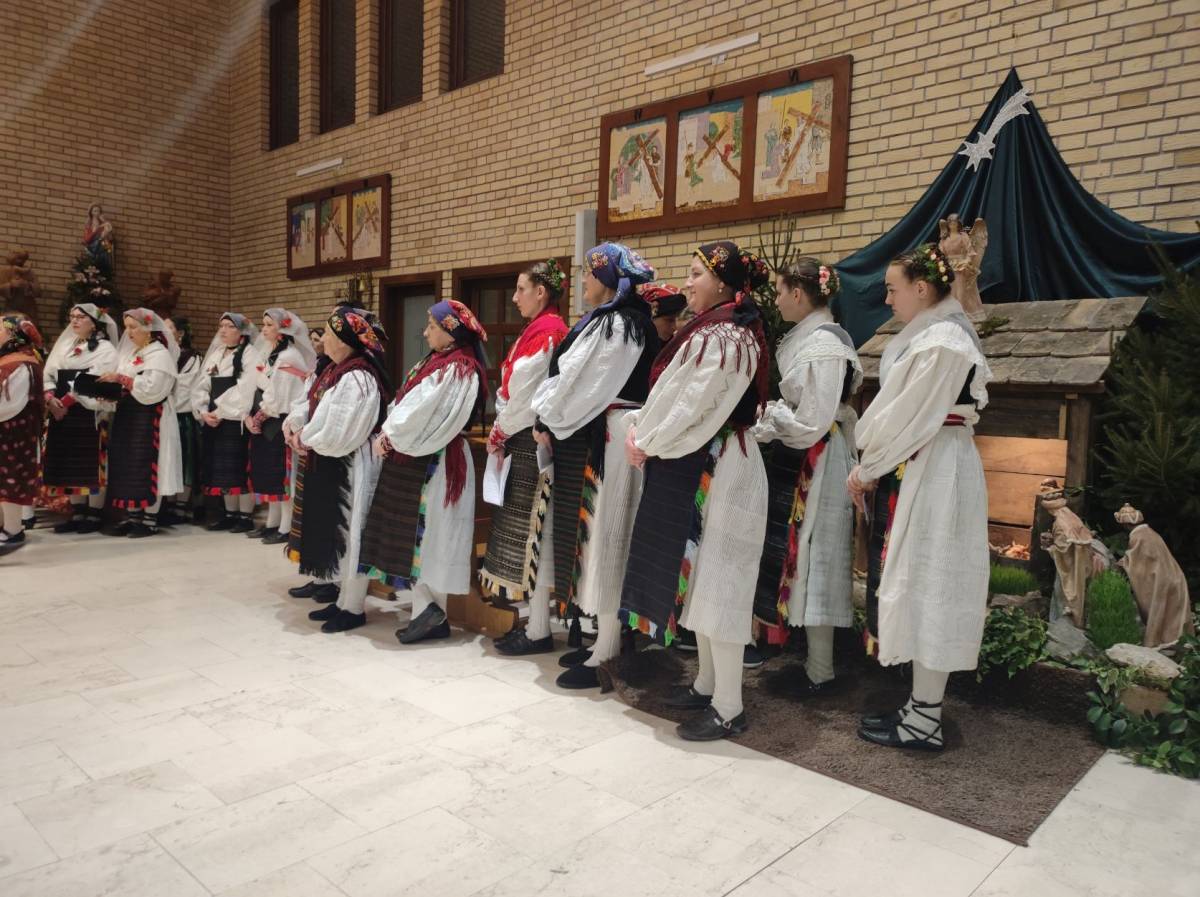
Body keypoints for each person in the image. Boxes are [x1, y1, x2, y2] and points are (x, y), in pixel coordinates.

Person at [619, 240, 771, 741]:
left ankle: (729, 707)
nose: (687, 282)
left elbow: (696, 405)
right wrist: (647, 435)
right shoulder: (718, 328)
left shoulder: (728, 334)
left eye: (695, 273)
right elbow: (677, 398)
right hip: (704, 457)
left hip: (723, 464)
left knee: (721, 583)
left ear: (722, 282)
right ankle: (707, 684)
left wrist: (647, 440)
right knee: (703, 580)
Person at [849, 244, 991, 752]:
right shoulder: (932, 333)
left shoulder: (944, 341)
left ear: (922, 288)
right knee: (920, 580)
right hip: (926, 462)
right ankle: (919, 706)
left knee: (934, 583)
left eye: (893, 289)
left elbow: (907, 415)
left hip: (937, 469)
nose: (888, 299)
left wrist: (867, 467)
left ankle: (925, 720)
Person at [531, 242, 659, 689]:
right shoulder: (613, 320)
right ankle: (604, 640)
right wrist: (548, 413)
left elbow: (582, 382)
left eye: (588, 273)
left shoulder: (621, 324)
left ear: (607, 279)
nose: (582, 280)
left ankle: (607, 649)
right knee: (600, 534)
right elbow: (572, 377)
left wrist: (547, 415)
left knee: (608, 536)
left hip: (614, 433)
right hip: (603, 432)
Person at [751, 258, 861, 696]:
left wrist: (774, 420)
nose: (777, 299)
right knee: (804, 555)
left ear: (798, 294)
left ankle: (821, 671)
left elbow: (813, 419)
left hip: (818, 458)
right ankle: (813, 664)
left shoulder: (825, 345)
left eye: (780, 291)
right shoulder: (810, 338)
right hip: (801, 451)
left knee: (817, 556)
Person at [353, 299, 488, 642]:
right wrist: (390, 432)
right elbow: (406, 403)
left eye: (432, 326)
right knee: (420, 537)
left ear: (450, 332)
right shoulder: (437, 362)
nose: (425, 332)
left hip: (437, 459)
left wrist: (391, 435)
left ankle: (430, 613)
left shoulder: (460, 367)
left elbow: (427, 412)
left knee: (431, 536)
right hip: (418, 453)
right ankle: (426, 612)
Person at [479, 262, 569, 655]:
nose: (515, 298)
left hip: (532, 440)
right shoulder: (537, 330)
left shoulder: (548, 332)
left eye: (521, 289)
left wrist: (499, 430)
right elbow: (512, 390)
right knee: (531, 535)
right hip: (522, 436)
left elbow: (525, 395)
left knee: (536, 533)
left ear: (541, 292)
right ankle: (535, 624)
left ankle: (539, 630)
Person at [284, 307, 391, 633]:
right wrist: (296, 425)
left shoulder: (358, 377)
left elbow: (342, 429)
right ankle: (342, 599)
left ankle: (353, 607)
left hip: (350, 463)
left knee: (352, 532)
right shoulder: (335, 370)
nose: (322, 340)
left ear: (344, 341)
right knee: (338, 532)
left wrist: (305, 438)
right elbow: (313, 405)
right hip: (330, 458)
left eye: (329, 334)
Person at [93, 308, 182, 537]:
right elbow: (124, 384)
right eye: (127, 327)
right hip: (128, 415)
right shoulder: (132, 353)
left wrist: (121, 379)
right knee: (128, 464)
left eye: (133, 327)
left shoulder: (159, 354)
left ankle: (149, 519)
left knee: (149, 463)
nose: (129, 332)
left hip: (151, 416)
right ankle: (133, 516)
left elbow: (153, 389)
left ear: (149, 329)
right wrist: (109, 391)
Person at [41, 303, 119, 533]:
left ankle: (94, 513)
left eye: (80, 317)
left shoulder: (105, 349)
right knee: (69, 461)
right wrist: (50, 399)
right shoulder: (65, 345)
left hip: (89, 412)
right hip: (61, 413)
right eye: (72, 316)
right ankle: (77, 512)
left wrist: (65, 402)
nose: (74, 321)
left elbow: (93, 381)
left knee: (91, 462)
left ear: (94, 323)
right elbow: (48, 374)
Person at [245, 309, 315, 544]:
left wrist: (260, 415)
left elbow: (280, 395)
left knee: (283, 478)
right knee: (269, 475)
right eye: (263, 324)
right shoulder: (271, 353)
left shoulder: (289, 356)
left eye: (269, 325)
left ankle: (286, 528)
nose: (263, 329)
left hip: (280, 421)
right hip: (267, 421)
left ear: (283, 329)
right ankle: (271, 523)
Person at [194, 312, 261, 532]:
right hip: (215, 419)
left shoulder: (250, 354)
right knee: (221, 470)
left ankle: (245, 516)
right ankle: (230, 514)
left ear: (242, 331)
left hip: (235, 418)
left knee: (238, 468)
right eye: (221, 325)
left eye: (230, 326)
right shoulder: (216, 354)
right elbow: (202, 385)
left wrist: (221, 411)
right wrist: (203, 411)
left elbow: (245, 388)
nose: (223, 330)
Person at [0, 315, 45, 553]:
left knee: (11, 480)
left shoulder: (22, 364)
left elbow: (11, 403)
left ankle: (13, 531)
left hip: (13, 434)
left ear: (13, 336)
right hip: (6, 431)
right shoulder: (9, 361)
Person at [161, 316, 203, 525]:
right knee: (167, 460)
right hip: (163, 414)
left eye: (169, 327)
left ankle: (181, 505)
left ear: (180, 333)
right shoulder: (160, 354)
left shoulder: (192, 357)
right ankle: (167, 503)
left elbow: (186, 388)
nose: (164, 330)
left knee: (185, 460)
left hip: (182, 414)